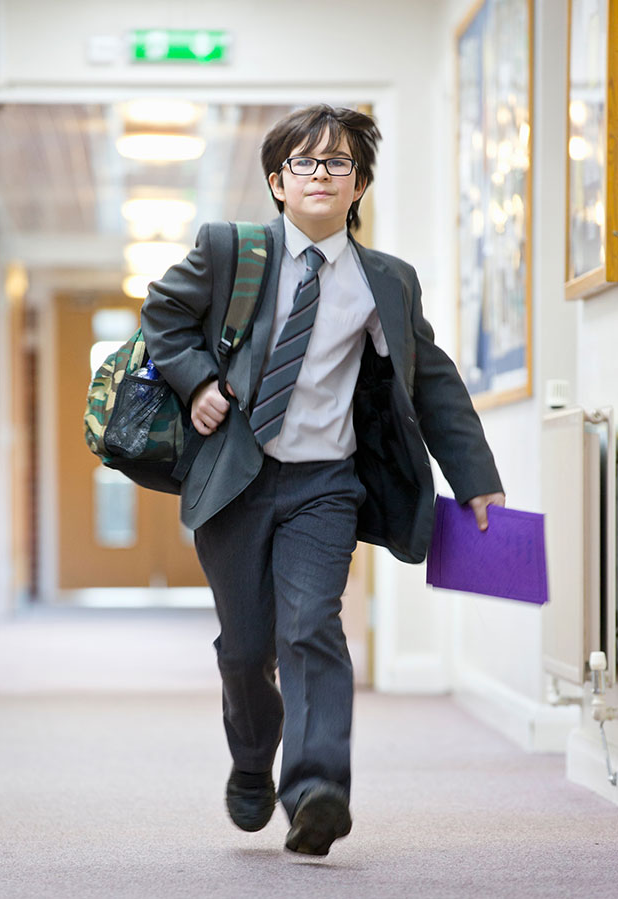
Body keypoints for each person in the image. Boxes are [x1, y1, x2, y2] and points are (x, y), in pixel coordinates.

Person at [141, 104, 504, 856]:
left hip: (325, 485)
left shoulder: (387, 282)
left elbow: (431, 381)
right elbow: (164, 316)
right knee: (245, 649)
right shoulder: (229, 251)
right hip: (237, 480)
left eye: (338, 163)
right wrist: (199, 379)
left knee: (312, 624)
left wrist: (475, 478)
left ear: (359, 183)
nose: (320, 175)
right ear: (278, 181)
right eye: (303, 163)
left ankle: (315, 791)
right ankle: (252, 756)